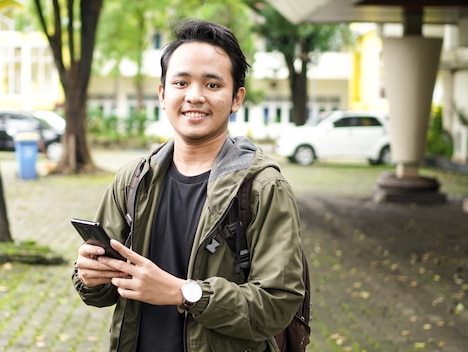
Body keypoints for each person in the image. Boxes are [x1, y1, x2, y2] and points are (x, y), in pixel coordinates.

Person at [73, 19, 305, 352]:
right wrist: (90, 276)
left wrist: (184, 293)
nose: (194, 96)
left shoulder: (263, 188)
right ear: (163, 94)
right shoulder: (133, 179)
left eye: (212, 85)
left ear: (236, 98)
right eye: (181, 83)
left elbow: (278, 303)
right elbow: (102, 291)